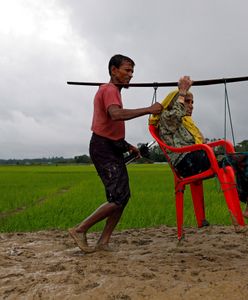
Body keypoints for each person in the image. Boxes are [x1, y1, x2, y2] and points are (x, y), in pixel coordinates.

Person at [68, 54, 163, 252]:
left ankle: (103, 241)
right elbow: (116, 115)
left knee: (122, 196)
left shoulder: (113, 91)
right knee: (118, 197)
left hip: (111, 146)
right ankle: (80, 229)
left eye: (132, 72)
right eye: (127, 70)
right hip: (103, 148)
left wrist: (127, 146)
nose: (130, 75)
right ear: (113, 70)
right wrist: (149, 109)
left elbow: (110, 126)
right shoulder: (109, 89)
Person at [157, 76, 248, 218]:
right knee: (237, 160)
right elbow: (175, 116)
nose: (191, 105)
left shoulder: (187, 123)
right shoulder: (166, 117)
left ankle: (246, 202)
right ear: (174, 102)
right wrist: (181, 92)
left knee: (242, 160)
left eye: (192, 102)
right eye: (187, 101)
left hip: (198, 158)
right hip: (187, 163)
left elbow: (201, 143)